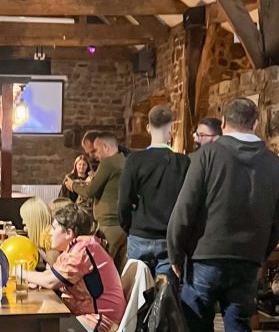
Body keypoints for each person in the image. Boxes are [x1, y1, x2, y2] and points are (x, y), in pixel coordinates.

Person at [167, 97, 279, 332]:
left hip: (206, 257)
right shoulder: (273, 163)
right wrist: (261, 253)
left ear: (223, 122)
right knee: (238, 331)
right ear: (256, 122)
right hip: (247, 260)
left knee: (194, 329)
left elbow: (185, 209)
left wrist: (175, 253)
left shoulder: (208, 155)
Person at [24, 203, 125, 332]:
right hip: (87, 316)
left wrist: (19, 272)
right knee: (33, 329)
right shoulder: (75, 248)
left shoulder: (83, 249)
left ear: (69, 233)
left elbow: (51, 280)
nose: (49, 232)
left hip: (99, 323)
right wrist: (39, 281)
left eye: (54, 228)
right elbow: (53, 276)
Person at [118, 105, 190, 276]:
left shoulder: (134, 160)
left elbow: (124, 200)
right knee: (164, 296)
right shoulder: (183, 162)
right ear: (172, 128)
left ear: (148, 127)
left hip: (140, 233)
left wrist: (129, 226)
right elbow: (187, 203)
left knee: (137, 293)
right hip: (168, 237)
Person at [66, 131, 127, 270]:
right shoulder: (123, 160)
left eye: (97, 150)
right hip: (120, 224)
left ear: (106, 147)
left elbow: (89, 192)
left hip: (109, 224)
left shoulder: (108, 163)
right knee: (118, 269)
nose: (96, 155)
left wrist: (73, 185)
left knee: (102, 269)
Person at [20, 196, 56, 269]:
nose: (23, 222)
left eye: (25, 220)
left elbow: (56, 275)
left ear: (33, 220)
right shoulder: (43, 238)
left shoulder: (50, 239)